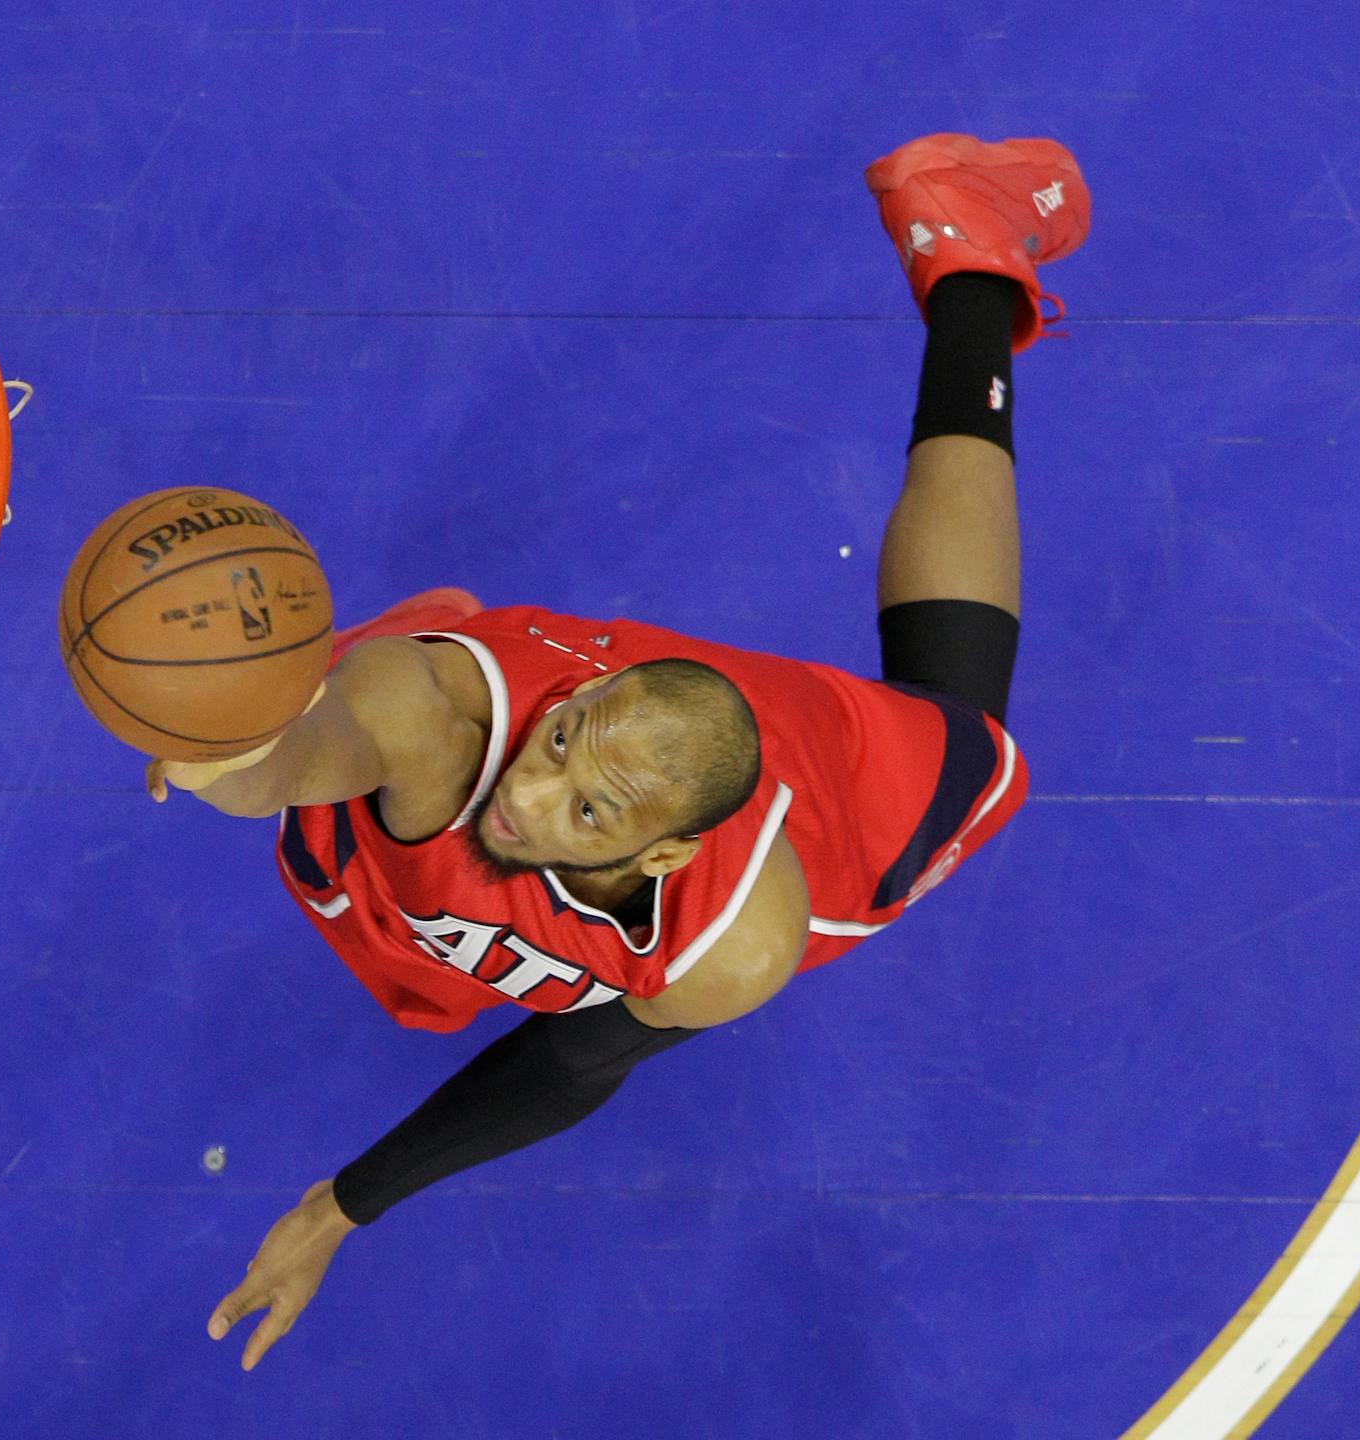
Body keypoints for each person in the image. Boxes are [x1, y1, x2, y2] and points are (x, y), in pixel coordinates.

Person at [144, 132, 1091, 1371]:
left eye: (588, 814)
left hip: (826, 791)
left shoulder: (732, 941)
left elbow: (576, 1057)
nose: (530, 797)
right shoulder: (450, 724)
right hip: (413, 802)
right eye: (558, 747)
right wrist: (217, 745)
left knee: (957, 731)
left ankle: (966, 252)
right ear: (578, 699)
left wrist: (342, 1207)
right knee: (397, 723)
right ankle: (969, 262)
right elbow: (309, 754)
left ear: (672, 851)